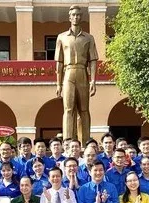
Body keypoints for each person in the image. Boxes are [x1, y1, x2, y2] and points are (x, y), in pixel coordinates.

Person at [56, 5, 99, 146]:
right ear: (69, 17)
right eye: (73, 15)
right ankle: (68, 142)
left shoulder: (89, 38)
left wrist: (93, 81)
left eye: (78, 15)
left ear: (82, 17)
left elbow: (93, 61)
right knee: (68, 109)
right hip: (68, 73)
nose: (76, 17)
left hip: (82, 73)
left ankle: (86, 141)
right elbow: (59, 63)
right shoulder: (61, 37)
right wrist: (58, 84)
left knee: (84, 110)